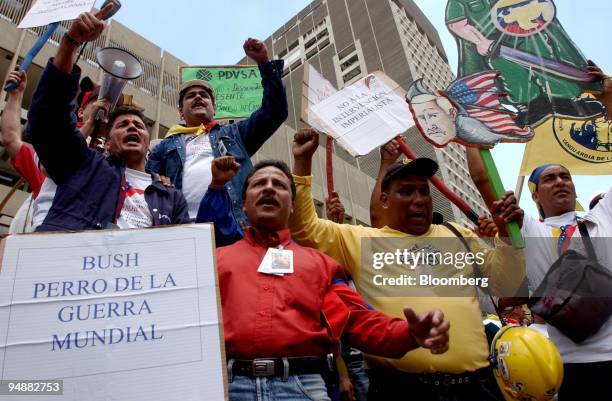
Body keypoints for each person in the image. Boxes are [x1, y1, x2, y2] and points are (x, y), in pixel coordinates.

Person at [290, 128, 525, 400]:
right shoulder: (360, 239)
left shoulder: (458, 234)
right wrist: (303, 162)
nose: (418, 200)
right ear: (385, 200)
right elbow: (304, 227)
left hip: (475, 387)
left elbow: (506, 283)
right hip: (398, 390)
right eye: (406, 191)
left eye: (423, 192)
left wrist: (508, 233)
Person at [216, 159, 450, 400]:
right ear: (243, 203)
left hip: (302, 388)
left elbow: (356, 320)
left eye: (279, 184)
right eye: (259, 184)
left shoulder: (321, 265)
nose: (269, 188)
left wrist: (408, 333)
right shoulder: (214, 261)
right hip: (226, 388)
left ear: (293, 206)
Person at [27, 7, 189, 231]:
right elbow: (49, 119)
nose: (132, 126)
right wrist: (70, 43)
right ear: (108, 141)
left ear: (147, 142)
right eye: (122, 124)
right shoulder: (84, 164)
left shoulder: (171, 196)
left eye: (139, 125)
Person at [146, 38, 288, 225]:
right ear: (181, 111)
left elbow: (275, 111)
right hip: (182, 229)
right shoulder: (163, 147)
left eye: (204, 95)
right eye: (191, 96)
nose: (198, 97)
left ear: (214, 109)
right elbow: (145, 183)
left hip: (234, 227)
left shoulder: (235, 134)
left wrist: (263, 63)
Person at [445, 0, 603, 126]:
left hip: (528, 33)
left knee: (544, 57)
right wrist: (480, 41)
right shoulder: (458, 2)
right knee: (504, 66)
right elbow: (458, 23)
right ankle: (530, 105)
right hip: (493, 43)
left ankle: (564, 100)